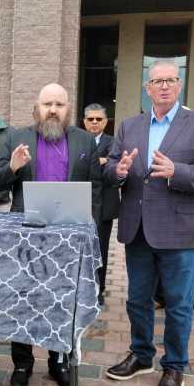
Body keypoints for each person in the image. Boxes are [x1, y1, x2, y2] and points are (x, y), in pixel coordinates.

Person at [104, 60, 194, 386]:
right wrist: (119, 171)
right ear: (147, 88)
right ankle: (141, 355)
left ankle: (174, 366)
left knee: (178, 303)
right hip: (137, 229)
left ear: (179, 85)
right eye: (157, 81)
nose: (164, 86)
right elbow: (111, 167)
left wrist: (176, 171)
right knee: (137, 299)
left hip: (180, 230)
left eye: (170, 80)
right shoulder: (129, 125)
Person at [0, 83, 102, 386]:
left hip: (67, 236)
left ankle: (58, 361)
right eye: (47, 103)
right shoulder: (16, 137)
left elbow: (95, 187)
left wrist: (88, 227)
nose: (53, 109)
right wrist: (13, 166)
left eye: (60, 104)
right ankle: (22, 363)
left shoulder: (83, 140)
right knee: (22, 299)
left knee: (61, 299)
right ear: (36, 108)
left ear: (69, 109)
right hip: (25, 234)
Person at [82, 103, 119, 306]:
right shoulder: (78, 140)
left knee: (100, 249)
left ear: (105, 121)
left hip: (104, 205)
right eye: (90, 119)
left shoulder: (113, 142)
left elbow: (113, 163)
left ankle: (99, 288)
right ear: (84, 121)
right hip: (80, 204)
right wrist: (100, 160)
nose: (94, 122)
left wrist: (95, 160)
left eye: (99, 119)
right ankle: (82, 286)